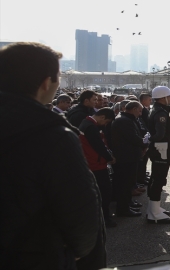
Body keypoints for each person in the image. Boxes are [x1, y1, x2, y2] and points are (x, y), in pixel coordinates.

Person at [0, 42, 105, 269]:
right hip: (34, 255)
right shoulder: (51, 135)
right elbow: (79, 210)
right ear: (46, 83)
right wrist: (73, 255)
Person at [79, 108, 117, 228]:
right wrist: (109, 157)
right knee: (104, 192)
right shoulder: (90, 127)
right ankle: (104, 218)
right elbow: (98, 145)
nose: (105, 125)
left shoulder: (86, 123)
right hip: (96, 164)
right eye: (106, 122)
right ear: (102, 117)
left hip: (93, 162)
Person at [146, 86, 170, 224]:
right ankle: (154, 212)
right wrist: (150, 139)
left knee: (156, 178)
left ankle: (154, 208)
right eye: (168, 96)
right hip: (162, 150)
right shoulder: (161, 113)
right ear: (162, 97)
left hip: (160, 150)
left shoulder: (158, 110)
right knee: (158, 179)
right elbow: (159, 134)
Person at [112, 101, 148, 218]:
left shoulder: (127, 119)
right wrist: (144, 144)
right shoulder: (123, 121)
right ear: (133, 109)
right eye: (139, 110)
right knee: (124, 184)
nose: (140, 113)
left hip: (129, 156)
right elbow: (133, 138)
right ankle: (123, 209)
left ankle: (127, 204)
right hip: (125, 157)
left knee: (128, 183)